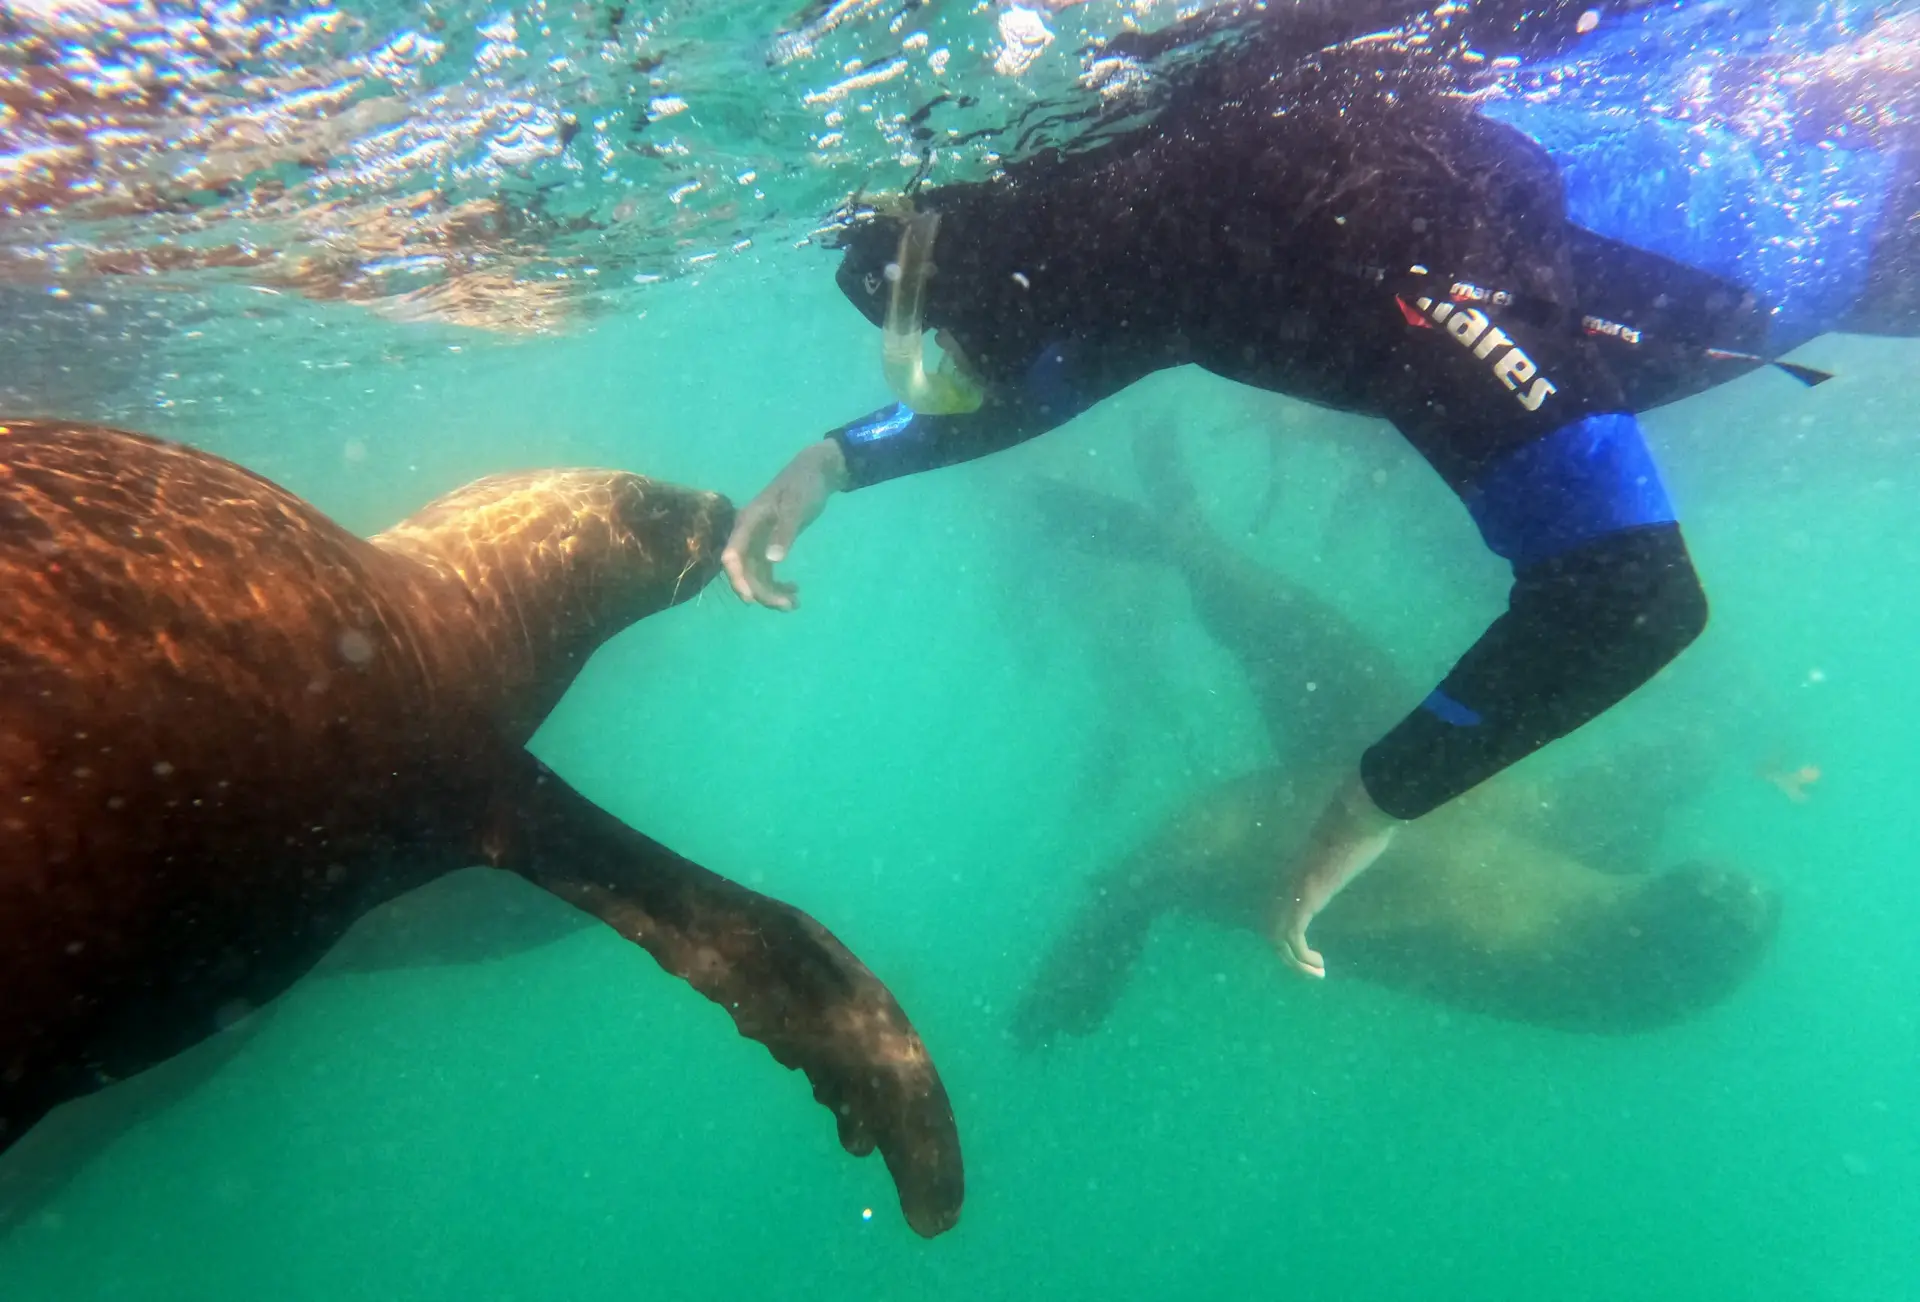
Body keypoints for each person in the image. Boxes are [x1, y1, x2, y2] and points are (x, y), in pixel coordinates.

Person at [720, 3, 1916, 981]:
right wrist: (838, 457)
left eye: (945, 339)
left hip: (1860, 213)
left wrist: (1373, 806)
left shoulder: (1371, 240)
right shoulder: (1162, 217)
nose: (953, 371)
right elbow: (1053, 365)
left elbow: (1628, 599)